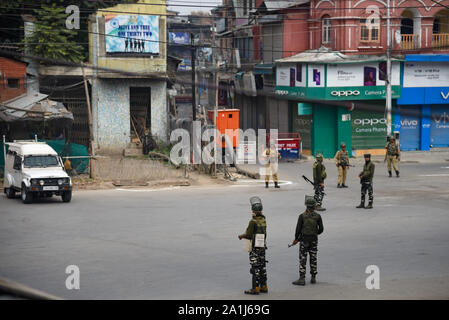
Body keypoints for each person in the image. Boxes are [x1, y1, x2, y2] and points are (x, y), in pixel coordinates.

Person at [291, 196, 324, 286]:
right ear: (314, 206)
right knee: (313, 258)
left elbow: (298, 230)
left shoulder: (301, 216)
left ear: (306, 206)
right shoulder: (318, 216)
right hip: (313, 240)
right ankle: (313, 277)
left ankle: (302, 278)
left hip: (304, 240)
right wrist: (315, 233)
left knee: (303, 259)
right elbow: (321, 229)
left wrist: (296, 239)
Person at [238, 196, 268, 295]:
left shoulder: (252, 222)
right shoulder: (263, 220)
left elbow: (249, 234)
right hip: (262, 246)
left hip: (255, 247)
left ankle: (255, 288)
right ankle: (264, 286)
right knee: (262, 266)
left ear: (253, 210)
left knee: (255, 267)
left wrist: (241, 236)